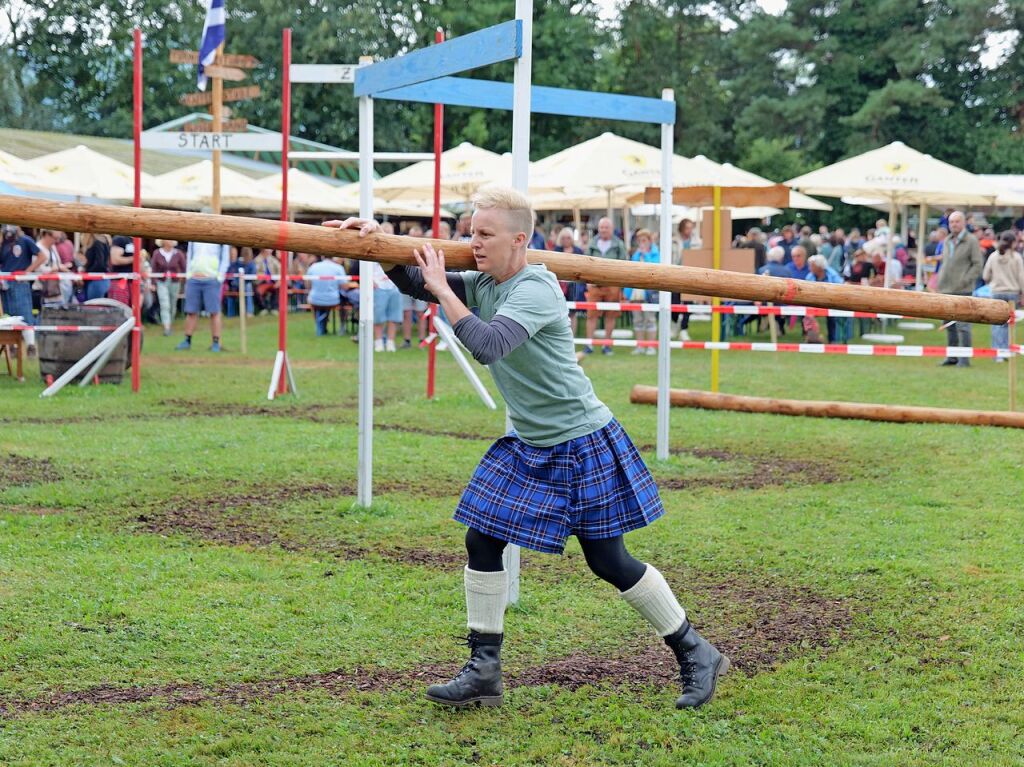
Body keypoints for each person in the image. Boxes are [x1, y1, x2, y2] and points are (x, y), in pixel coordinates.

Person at [328, 187, 729, 711]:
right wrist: (375, 244)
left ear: (520, 240)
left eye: (484, 235)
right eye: (471, 233)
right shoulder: (483, 281)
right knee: (482, 539)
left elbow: (488, 343)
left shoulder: (536, 288)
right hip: (529, 441)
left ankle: (696, 651)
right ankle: (484, 670)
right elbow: (416, 283)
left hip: (580, 439)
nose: (473, 243)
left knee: (608, 561)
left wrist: (442, 291)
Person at [937, 211, 983, 367]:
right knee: (948, 325)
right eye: (951, 222)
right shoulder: (947, 240)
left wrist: (965, 280)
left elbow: (977, 264)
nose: (954, 225)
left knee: (963, 326)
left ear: (963, 223)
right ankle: (952, 357)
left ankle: (964, 358)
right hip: (945, 288)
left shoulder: (971, 241)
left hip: (963, 290)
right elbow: (945, 264)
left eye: (957, 221)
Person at [584, 217, 628, 355]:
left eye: (606, 227)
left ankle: (607, 345)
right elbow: (585, 263)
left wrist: (619, 284)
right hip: (595, 286)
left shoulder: (619, 244)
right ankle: (589, 345)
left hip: (612, 286)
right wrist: (588, 282)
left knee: (611, 316)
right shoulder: (592, 243)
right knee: (591, 316)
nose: (603, 230)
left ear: (612, 228)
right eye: (601, 227)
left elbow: (624, 264)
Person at [176, 241, 229, 352]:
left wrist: (219, 277)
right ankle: (187, 340)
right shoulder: (193, 237)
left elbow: (225, 259)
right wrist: (189, 275)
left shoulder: (221, 239)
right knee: (191, 311)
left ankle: (216, 342)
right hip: (193, 279)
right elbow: (190, 254)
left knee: (214, 312)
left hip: (212, 279)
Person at [0, 224, 44, 356]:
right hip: (5, 283)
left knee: (24, 314)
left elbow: (42, 256)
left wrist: (27, 272)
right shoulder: (4, 243)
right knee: (9, 316)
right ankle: (12, 347)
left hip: (20, 283)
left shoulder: (26, 240)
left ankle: (30, 346)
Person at [982, 231, 1024, 361]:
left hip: (996, 292)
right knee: (1009, 324)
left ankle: (997, 353)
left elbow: (985, 276)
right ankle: (1006, 350)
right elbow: (1021, 277)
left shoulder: (993, 256)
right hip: (1012, 293)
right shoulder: (1016, 257)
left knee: (996, 324)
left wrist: (993, 282)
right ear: (1012, 243)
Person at [625, 229, 660, 355]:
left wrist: (646, 255)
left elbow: (656, 268)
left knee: (650, 319)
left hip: (650, 292)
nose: (641, 243)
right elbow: (631, 273)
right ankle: (639, 346)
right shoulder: (635, 255)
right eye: (639, 241)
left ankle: (651, 347)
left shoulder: (656, 254)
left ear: (650, 241)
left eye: (644, 240)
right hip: (636, 293)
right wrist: (627, 292)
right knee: (637, 320)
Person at [305, 254, 353, 336]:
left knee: (315, 302)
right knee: (344, 303)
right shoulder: (338, 268)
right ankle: (342, 326)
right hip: (333, 300)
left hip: (315, 299)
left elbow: (307, 285)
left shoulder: (313, 266)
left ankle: (319, 326)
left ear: (322, 256)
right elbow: (345, 286)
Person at [804, 254, 848, 343]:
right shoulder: (810, 276)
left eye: (812, 265)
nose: (810, 268)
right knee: (808, 315)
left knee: (832, 317)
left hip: (831, 303)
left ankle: (833, 340)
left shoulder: (832, 274)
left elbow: (842, 285)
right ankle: (813, 339)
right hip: (815, 303)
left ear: (819, 267)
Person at [150, 239, 186, 335]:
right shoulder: (157, 253)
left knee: (172, 304)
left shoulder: (178, 253)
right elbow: (153, 269)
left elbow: (184, 268)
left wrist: (182, 280)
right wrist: (153, 283)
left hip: (175, 282)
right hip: (161, 282)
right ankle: (167, 327)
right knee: (164, 304)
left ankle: (170, 323)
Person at [671, 218, 698, 340]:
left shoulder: (697, 242)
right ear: (682, 228)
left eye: (691, 227)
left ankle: (684, 329)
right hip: (676, 275)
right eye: (687, 227)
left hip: (691, 276)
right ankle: (675, 325)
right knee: (675, 303)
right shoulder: (674, 241)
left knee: (689, 304)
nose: (689, 230)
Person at [34, 229, 70, 311]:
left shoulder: (53, 247)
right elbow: (38, 269)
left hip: (55, 290)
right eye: (55, 238)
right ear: (46, 235)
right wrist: (55, 268)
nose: (56, 241)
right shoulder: (38, 248)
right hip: (41, 290)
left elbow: (57, 263)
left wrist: (62, 267)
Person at [371, 261, 402, 352]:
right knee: (378, 317)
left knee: (394, 317)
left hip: (394, 287)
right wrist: (372, 282)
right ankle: (378, 342)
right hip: (379, 287)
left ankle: (390, 342)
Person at [81, 232, 112, 301]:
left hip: (96, 280)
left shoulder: (97, 243)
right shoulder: (104, 241)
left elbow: (99, 264)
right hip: (102, 279)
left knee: (93, 307)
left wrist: (86, 271)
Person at [254, 248, 281, 315]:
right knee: (257, 291)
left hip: (272, 282)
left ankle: (274, 309)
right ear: (263, 250)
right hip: (261, 282)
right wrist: (263, 277)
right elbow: (255, 273)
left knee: (277, 288)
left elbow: (280, 270)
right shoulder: (257, 260)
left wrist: (279, 281)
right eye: (268, 249)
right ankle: (263, 309)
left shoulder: (273, 260)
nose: (270, 251)